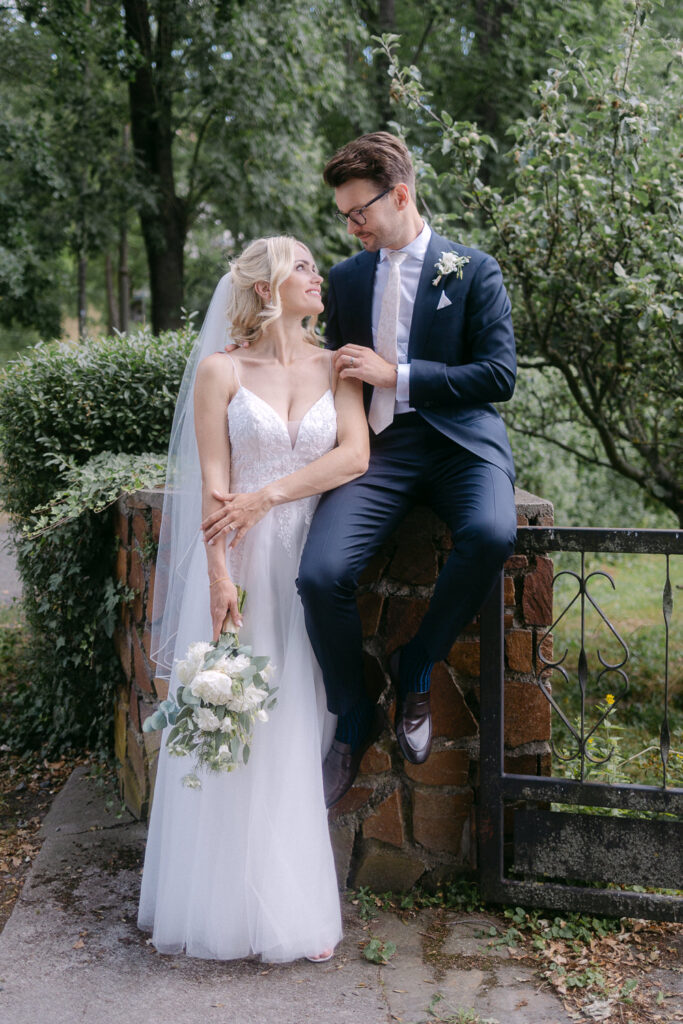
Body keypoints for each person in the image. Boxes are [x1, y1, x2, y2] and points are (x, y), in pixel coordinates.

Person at [203, 131, 518, 810]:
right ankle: (352, 711)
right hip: (375, 452)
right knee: (320, 576)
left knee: (493, 533)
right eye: (345, 216)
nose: (351, 227)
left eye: (358, 213)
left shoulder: (472, 270)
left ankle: (417, 661)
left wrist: (398, 374)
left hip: (460, 446)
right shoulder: (346, 280)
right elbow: (308, 352)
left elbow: (499, 375)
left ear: (399, 195)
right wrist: (249, 343)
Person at [138, 236, 369, 963]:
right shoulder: (221, 371)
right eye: (303, 266)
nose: (317, 277)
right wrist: (216, 574)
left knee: (297, 725)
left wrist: (269, 495)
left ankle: (291, 907)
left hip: (310, 560)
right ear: (267, 287)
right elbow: (214, 485)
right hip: (243, 565)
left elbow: (355, 454)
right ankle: (219, 908)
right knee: (237, 726)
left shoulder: (339, 366)